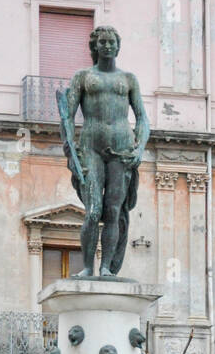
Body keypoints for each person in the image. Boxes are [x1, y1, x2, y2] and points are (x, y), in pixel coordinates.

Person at [61, 25, 149, 277]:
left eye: (112, 42)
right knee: (93, 211)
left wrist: (140, 147)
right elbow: (68, 116)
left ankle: (106, 268)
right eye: (103, 42)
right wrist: (69, 147)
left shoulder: (129, 79)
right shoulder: (83, 77)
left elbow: (142, 117)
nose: (108, 46)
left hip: (122, 149)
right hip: (91, 147)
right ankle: (88, 267)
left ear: (118, 46)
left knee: (114, 210)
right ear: (95, 46)